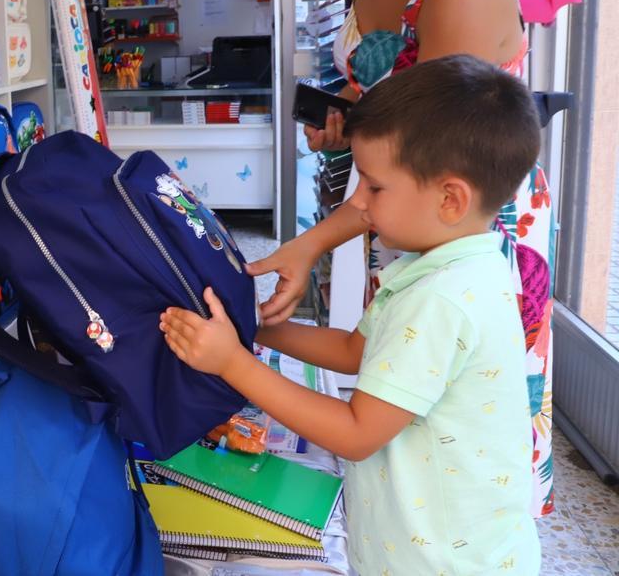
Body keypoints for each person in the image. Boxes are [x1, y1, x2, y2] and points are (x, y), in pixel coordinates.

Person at [246, 0, 555, 515]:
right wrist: (347, 123)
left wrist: (310, 243)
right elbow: (390, 111)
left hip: (459, 228)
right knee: (393, 392)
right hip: (398, 208)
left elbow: (430, 155)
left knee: (456, 450)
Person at [162, 56, 542, 576]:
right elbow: (353, 350)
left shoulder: (442, 299)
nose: (359, 203)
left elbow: (357, 432)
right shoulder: (449, 264)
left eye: (375, 186)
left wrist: (232, 362)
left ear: (450, 198)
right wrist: (252, 328)